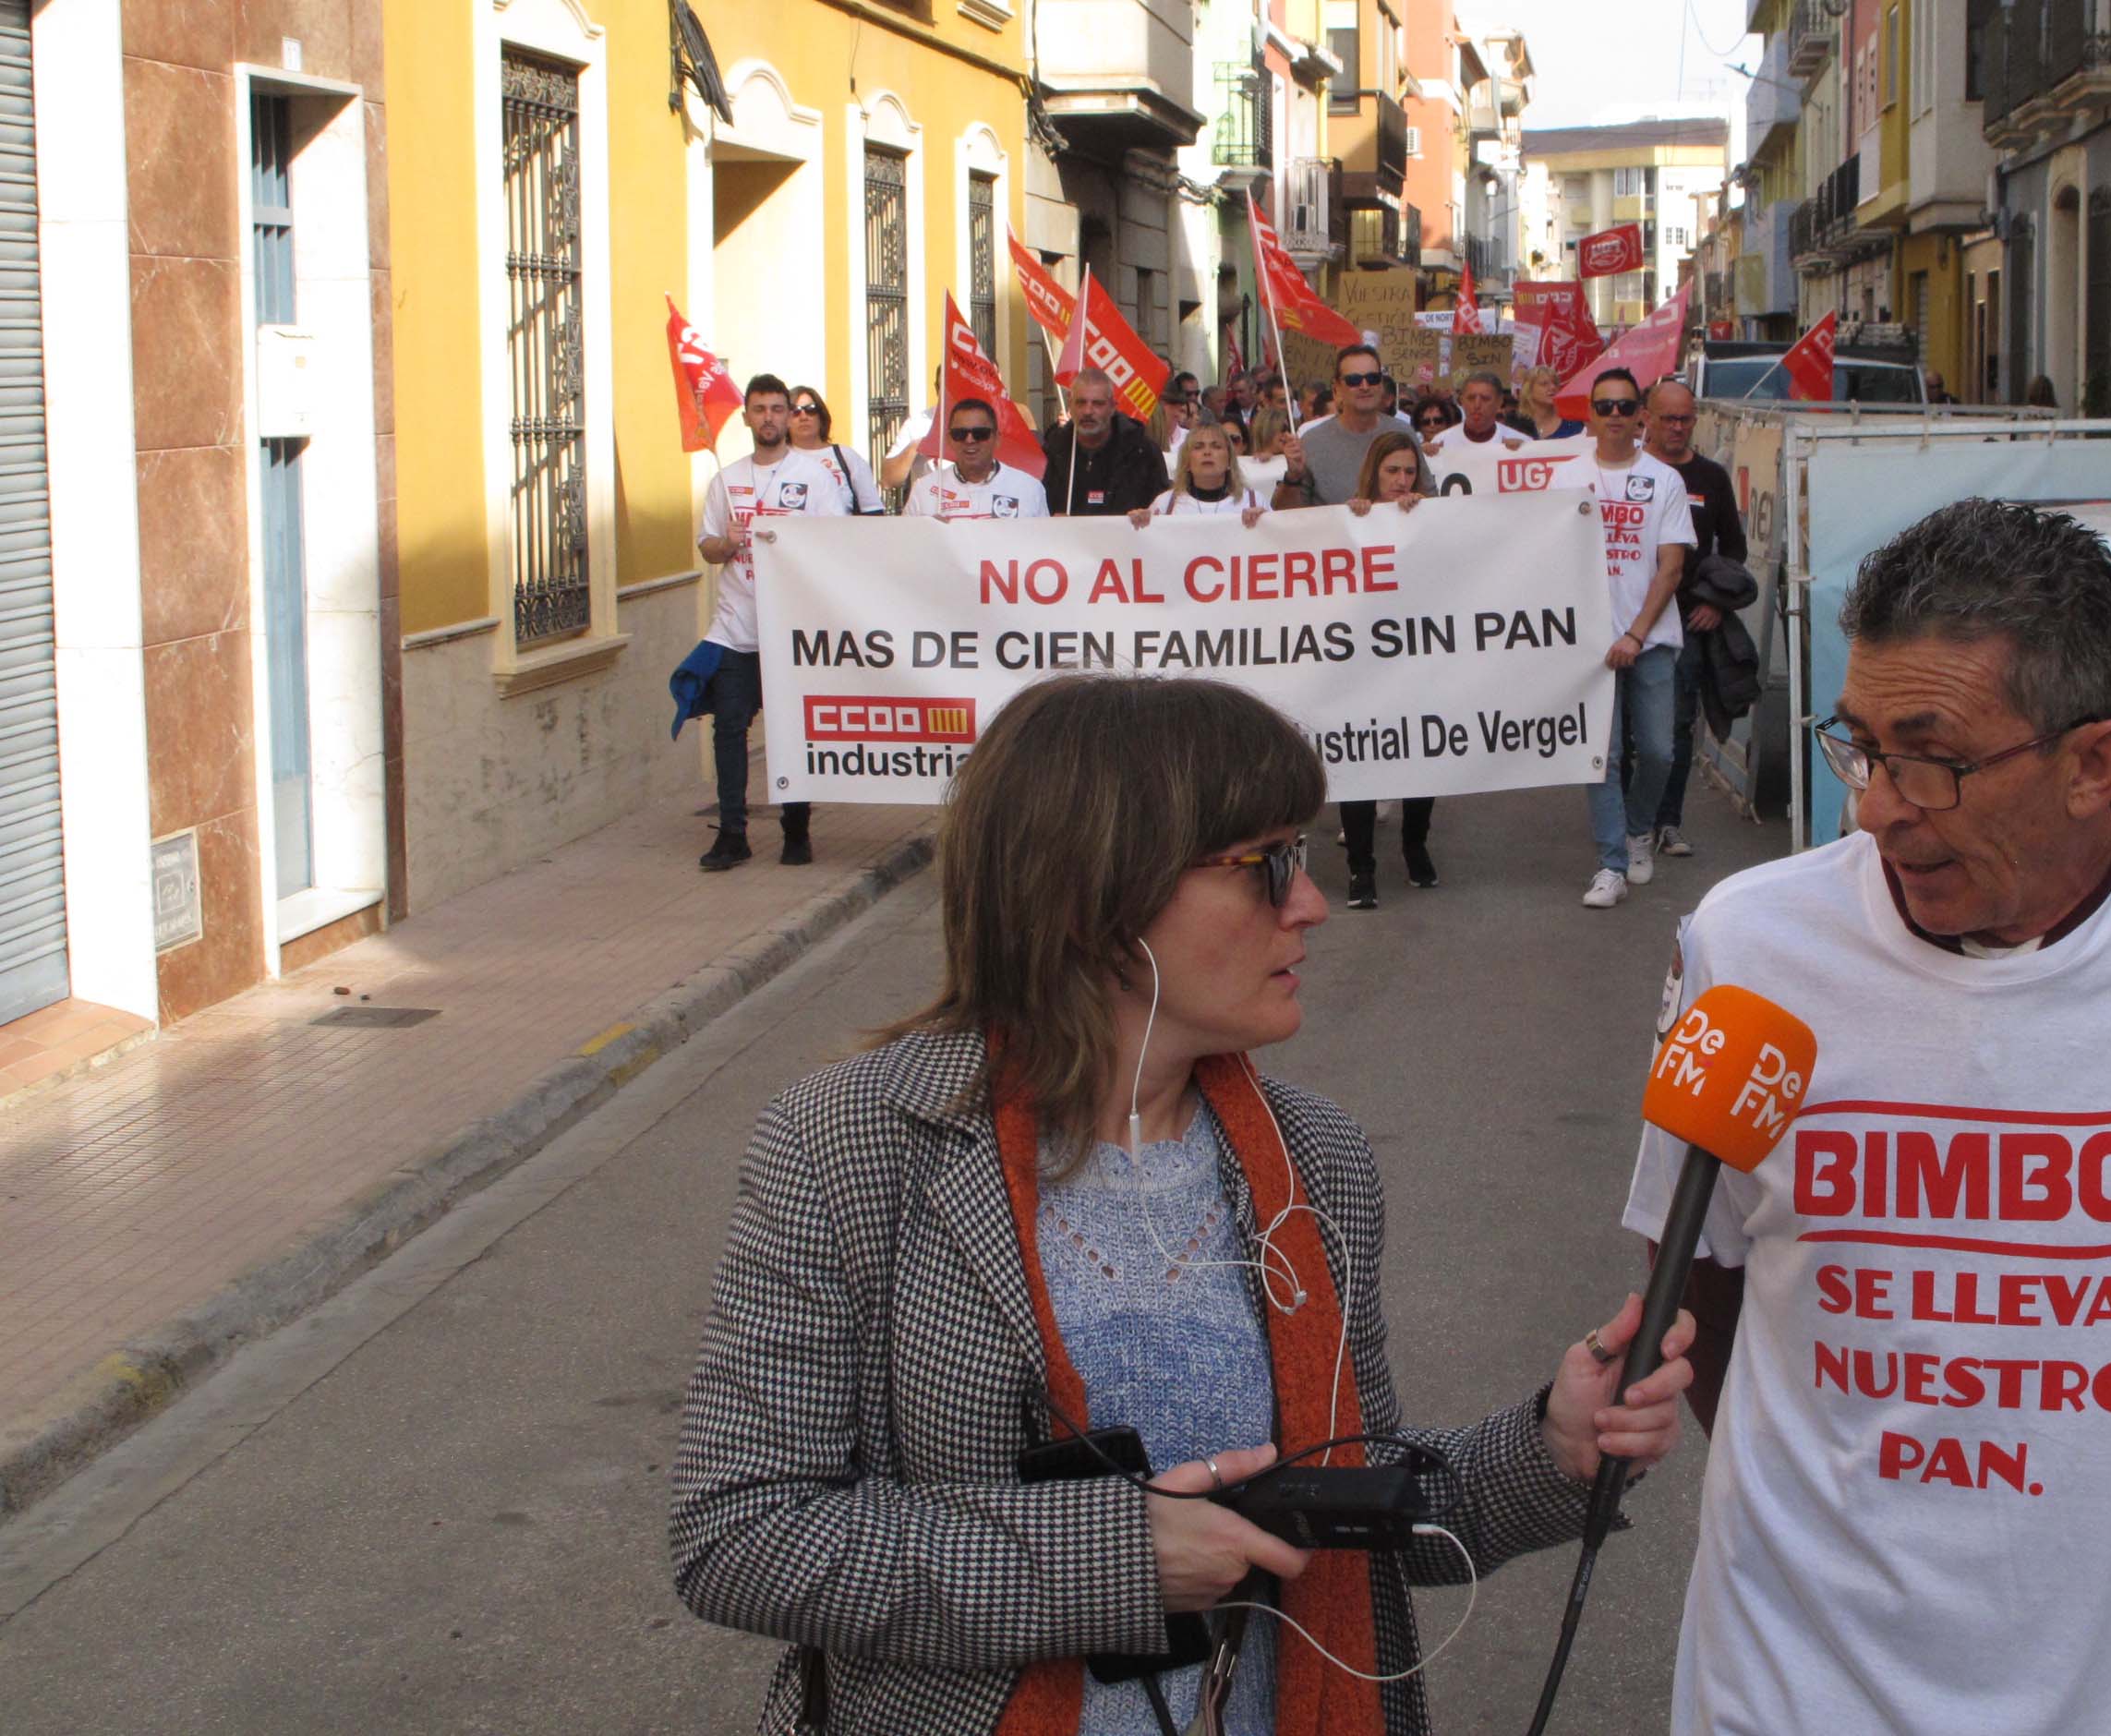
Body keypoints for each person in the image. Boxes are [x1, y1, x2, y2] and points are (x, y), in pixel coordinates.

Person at [670, 672, 1701, 1736]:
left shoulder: (1317, 1160)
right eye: (1268, 865)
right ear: (1096, 896)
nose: (1309, 901)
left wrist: (1549, 1445)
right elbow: (743, 1531)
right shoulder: (852, 1145)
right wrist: (1118, 1556)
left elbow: (1349, 1500)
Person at [1621, 497, 2111, 1736]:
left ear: (2092, 763)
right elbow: (1694, 1266)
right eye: (1856, 747)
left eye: (1934, 759)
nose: (1876, 809)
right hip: (1784, 1686)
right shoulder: (1741, 949)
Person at [1548, 370, 1695, 909]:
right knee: (1601, 757)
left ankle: (1639, 829)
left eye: (1625, 406)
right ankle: (1609, 864)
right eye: (1604, 406)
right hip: (1589, 644)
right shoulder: (1565, 475)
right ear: (1589, 412)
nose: (1614, 416)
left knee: (1658, 751)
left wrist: (1635, 633)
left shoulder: (1665, 481)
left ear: (1641, 417)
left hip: (1651, 640)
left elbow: (1671, 567)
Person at [690, 374, 841, 871]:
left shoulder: (815, 476)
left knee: (791, 731)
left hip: (792, 629)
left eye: (779, 409)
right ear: (747, 417)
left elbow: (835, 544)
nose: (771, 418)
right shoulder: (726, 479)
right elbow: (709, 548)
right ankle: (732, 831)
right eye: (760, 409)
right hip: (736, 629)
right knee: (729, 728)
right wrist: (728, 542)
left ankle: (796, 829)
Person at [1641, 380, 1746, 860]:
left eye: (1685, 418)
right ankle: (1629, 820)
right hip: (1627, 615)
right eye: (1668, 418)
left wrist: (1717, 603)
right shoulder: (1629, 471)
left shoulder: (1711, 478)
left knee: (1677, 725)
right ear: (1648, 417)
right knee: (1626, 727)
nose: (1677, 427)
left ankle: (1667, 821)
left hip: (1684, 621)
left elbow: (1735, 551)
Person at [1332, 432, 1436, 910]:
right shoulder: (1349, 519)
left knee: (1423, 753)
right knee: (1358, 762)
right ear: (1374, 471)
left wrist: (1424, 518)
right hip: (1359, 661)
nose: (1401, 480)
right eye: (1392, 471)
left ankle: (1415, 845)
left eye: (1409, 471)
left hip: (1417, 658)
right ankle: (1361, 867)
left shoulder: (1430, 518)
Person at [1275, 344, 1434, 511]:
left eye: (1372, 379)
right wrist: (1293, 477)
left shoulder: (1403, 433)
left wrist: (1416, 500)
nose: (1364, 386)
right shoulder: (1312, 441)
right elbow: (1287, 515)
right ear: (1336, 389)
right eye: (1354, 380)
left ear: (1381, 385)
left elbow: (1431, 498)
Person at [1045, 368, 1171, 516]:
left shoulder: (1143, 453)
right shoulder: (1052, 451)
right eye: (1081, 402)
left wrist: (1146, 515)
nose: (1088, 411)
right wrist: (1050, 519)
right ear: (1070, 404)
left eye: (1097, 404)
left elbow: (1162, 512)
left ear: (1113, 406)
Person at [906, 398, 1051, 520]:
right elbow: (906, 545)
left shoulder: (1028, 488)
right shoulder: (924, 490)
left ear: (997, 439)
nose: (970, 440)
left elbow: (1042, 545)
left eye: (980, 433)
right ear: (949, 439)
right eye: (960, 434)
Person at [1132, 421, 1268, 525]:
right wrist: (1137, 523)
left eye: (1216, 446)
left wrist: (1266, 523)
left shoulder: (1254, 501)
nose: (1207, 452)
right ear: (1187, 462)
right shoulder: (1165, 504)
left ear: (1229, 461)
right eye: (1198, 447)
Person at [786, 386, 884, 517]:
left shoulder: (846, 456)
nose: (804, 417)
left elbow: (873, 511)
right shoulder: (780, 459)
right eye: (795, 411)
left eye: (811, 410)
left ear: (821, 416)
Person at [1423, 372, 1527, 458]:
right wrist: (1422, 454)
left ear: (1500, 401)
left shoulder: (1520, 442)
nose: (1477, 405)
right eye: (1471, 398)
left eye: (1485, 399)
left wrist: (1524, 453)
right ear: (1461, 400)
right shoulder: (1442, 441)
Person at [1514, 366, 1582, 439]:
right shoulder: (1516, 423)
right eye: (1544, 384)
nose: (1552, 387)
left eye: (1555, 383)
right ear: (1529, 390)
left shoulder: (1574, 422)